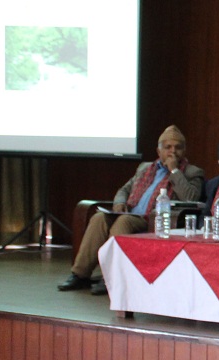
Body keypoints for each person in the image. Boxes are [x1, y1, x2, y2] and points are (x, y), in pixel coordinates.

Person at [59, 125, 204, 296]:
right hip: (129, 212)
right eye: (168, 147)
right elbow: (124, 190)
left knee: (123, 221)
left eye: (178, 148)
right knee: (99, 218)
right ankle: (80, 274)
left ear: (184, 151)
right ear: (159, 151)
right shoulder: (145, 168)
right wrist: (120, 203)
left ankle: (110, 278)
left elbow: (191, 197)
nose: (173, 152)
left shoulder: (192, 172)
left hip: (154, 219)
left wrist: (174, 171)